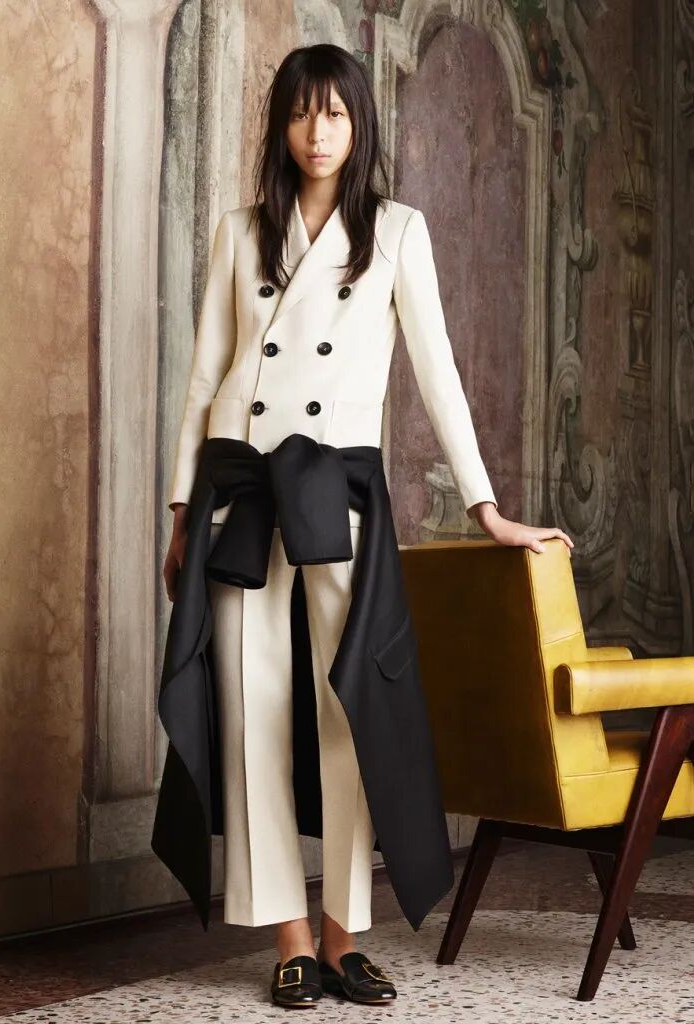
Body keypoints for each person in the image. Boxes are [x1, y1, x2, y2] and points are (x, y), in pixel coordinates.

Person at [161, 42, 573, 1009]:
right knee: (252, 713)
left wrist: (487, 509)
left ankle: (345, 938)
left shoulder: (394, 231)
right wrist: (181, 510)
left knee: (350, 710)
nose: (319, 132)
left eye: (336, 113)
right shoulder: (239, 232)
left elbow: (438, 374)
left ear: (359, 125)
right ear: (281, 125)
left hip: (335, 493)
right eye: (302, 112)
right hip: (239, 492)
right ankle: (290, 940)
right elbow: (204, 377)